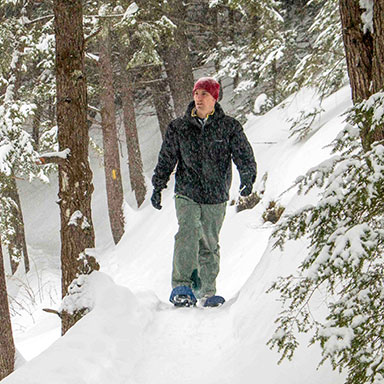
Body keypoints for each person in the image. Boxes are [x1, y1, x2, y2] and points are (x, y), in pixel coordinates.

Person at [151, 77, 256, 307]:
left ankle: (208, 291)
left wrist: (248, 177)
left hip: (216, 193)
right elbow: (167, 158)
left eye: (204, 94)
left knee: (209, 242)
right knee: (188, 233)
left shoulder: (229, 127)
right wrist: (158, 186)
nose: (199, 98)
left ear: (214, 98)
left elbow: (244, 154)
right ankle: (182, 287)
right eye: (196, 93)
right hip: (187, 191)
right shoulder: (179, 127)